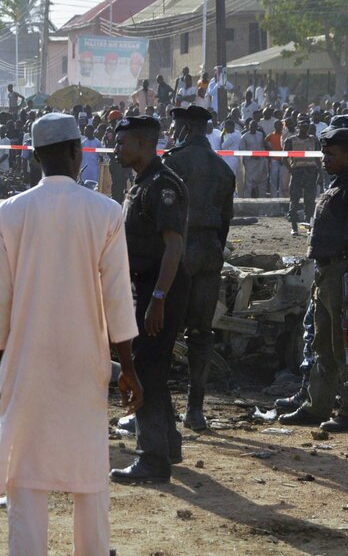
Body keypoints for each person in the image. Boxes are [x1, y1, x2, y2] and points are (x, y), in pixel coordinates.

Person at [0, 112, 142, 556]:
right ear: (77, 152)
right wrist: (127, 368)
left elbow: (0, 298)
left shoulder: (10, 212)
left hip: (25, 362)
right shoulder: (105, 212)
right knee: (89, 472)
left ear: (35, 157)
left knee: (25, 472)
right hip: (84, 363)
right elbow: (117, 302)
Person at [278, 116, 348, 432]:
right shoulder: (339, 185)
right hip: (327, 275)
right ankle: (317, 405)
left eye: (331, 154)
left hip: (345, 274)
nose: (325, 160)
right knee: (324, 345)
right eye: (325, 154)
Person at [110, 115, 189, 483]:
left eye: (122, 142)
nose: (116, 148)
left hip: (162, 287)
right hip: (149, 286)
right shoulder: (142, 182)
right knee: (153, 366)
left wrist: (158, 297)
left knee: (145, 369)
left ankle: (151, 458)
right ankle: (168, 446)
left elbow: (174, 244)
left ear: (142, 143)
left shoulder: (163, 185)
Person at [162, 106, 235, 431]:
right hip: (210, 252)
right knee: (201, 334)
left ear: (188, 128)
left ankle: (157, 410)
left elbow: (162, 217)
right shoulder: (223, 168)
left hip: (179, 252)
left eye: (177, 126)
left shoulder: (173, 162)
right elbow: (226, 223)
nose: (174, 131)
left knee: (163, 332)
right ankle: (195, 410)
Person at [283, 115, 321, 235]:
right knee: (294, 200)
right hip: (297, 172)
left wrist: (319, 173)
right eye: (302, 124)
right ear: (298, 126)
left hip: (311, 172)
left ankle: (309, 227)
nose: (304, 127)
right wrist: (291, 169)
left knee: (309, 202)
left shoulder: (314, 140)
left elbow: (318, 159)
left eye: (306, 124)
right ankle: (294, 227)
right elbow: (285, 158)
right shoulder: (290, 140)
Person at [239, 119, 268, 197]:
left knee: (262, 181)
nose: (253, 127)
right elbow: (242, 150)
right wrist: (252, 155)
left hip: (260, 161)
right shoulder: (244, 137)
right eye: (251, 126)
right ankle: (248, 200)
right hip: (250, 163)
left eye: (255, 126)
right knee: (249, 183)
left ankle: (262, 199)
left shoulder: (260, 135)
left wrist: (262, 156)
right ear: (248, 127)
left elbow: (263, 147)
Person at [265, 120, 287, 198]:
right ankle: (273, 196)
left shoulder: (284, 135)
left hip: (282, 160)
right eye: (277, 126)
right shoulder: (270, 136)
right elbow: (264, 142)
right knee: (273, 179)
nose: (279, 127)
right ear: (274, 127)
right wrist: (269, 151)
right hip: (274, 159)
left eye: (280, 126)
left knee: (282, 179)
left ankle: (281, 196)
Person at [221, 119, 242, 193]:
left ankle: (232, 193)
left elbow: (222, 146)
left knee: (229, 176)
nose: (225, 129)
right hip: (229, 158)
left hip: (231, 159)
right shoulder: (237, 132)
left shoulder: (233, 136)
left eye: (227, 127)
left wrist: (223, 134)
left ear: (232, 126)